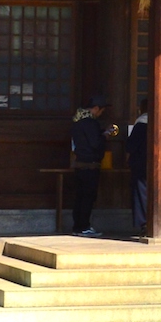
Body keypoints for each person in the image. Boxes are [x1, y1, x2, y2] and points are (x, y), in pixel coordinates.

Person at [70, 95, 114, 237]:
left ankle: (77, 226)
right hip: (90, 165)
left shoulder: (77, 122)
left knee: (79, 197)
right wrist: (105, 135)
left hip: (79, 164)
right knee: (88, 197)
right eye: (101, 111)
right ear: (96, 108)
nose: (101, 114)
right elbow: (95, 143)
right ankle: (84, 226)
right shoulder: (91, 123)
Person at [126, 98, 151, 236]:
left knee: (142, 193)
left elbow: (130, 146)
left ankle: (145, 223)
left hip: (141, 164)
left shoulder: (141, 124)